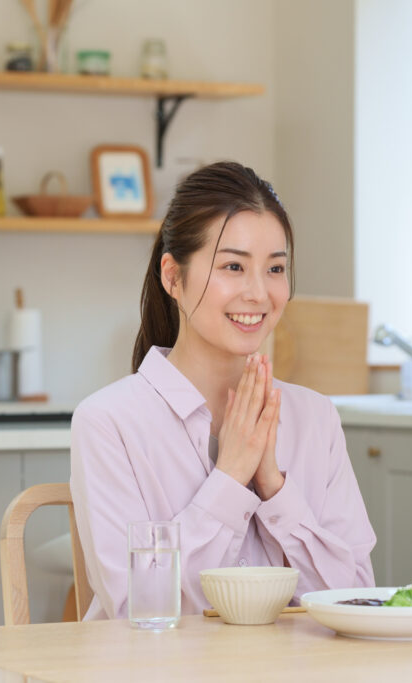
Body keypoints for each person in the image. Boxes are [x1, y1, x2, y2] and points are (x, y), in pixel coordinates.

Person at [70, 161, 376, 620]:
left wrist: (275, 489)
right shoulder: (109, 422)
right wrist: (230, 478)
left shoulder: (316, 417)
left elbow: (357, 601)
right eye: (234, 266)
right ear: (172, 277)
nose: (259, 293)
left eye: (275, 268)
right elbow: (138, 611)